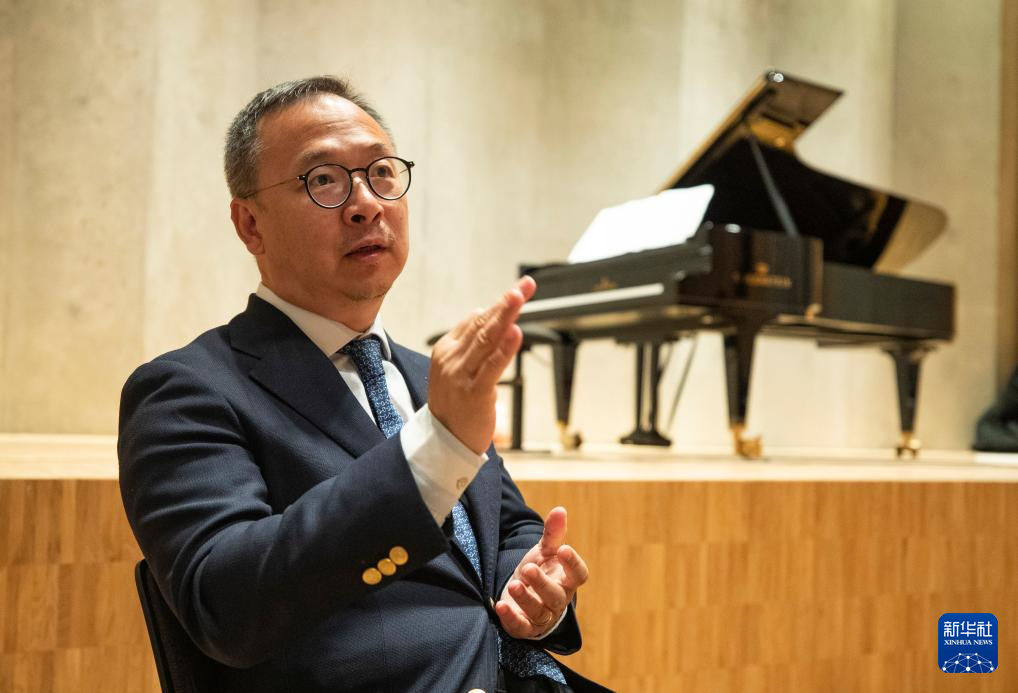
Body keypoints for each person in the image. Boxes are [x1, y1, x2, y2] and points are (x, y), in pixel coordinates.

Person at [118, 76, 608, 693]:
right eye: (323, 180)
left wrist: (535, 589)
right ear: (250, 225)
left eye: (380, 173)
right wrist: (436, 450)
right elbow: (227, 603)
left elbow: (507, 528)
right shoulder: (185, 391)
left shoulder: (430, 377)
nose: (366, 204)